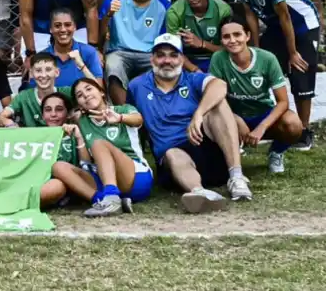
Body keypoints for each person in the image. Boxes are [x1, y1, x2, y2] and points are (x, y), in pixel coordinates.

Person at [126, 33, 252, 212]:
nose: (167, 61)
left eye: (173, 55)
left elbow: (219, 85)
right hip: (173, 160)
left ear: (182, 59)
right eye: (160, 55)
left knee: (218, 105)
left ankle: (236, 177)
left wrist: (198, 114)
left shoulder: (192, 79)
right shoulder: (136, 86)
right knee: (172, 153)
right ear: (151, 58)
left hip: (204, 144)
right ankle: (200, 194)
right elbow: (132, 120)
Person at [225, 0, 320, 150]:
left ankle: (303, 130)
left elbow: (286, 17)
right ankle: (264, 123)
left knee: (300, 71)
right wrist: (256, 48)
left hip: (303, 25)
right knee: (258, 64)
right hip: (276, 27)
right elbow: (250, 13)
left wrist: (292, 52)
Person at [210, 18, 304, 174]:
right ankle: (231, 158)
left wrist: (262, 127)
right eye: (226, 36)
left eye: (237, 34)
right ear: (221, 40)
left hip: (262, 114)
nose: (232, 40)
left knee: (293, 124)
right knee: (210, 120)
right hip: (233, 115)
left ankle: (276, 153)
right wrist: (235, 119)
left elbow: (283, 102)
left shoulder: (267, 59)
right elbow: (215, 97)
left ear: (247, 36)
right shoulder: (218, 59)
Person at [60, 78, 153, 217]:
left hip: (135, 176)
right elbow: (86, 163)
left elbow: (138, 120)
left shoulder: (123, 109)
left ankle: (111, 197)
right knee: (59, 167)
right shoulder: (82, 122)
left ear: (102, 92)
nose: (85, 95)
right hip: (103, 177)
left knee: (99, 144)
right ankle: (102, 200)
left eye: (89, 89)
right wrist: (79, 137)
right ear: (79, 105)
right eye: (80, 95)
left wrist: (120, 118)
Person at [100, 0, 173, 104]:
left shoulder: (164, 2)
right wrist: (109, 15)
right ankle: (124, 112)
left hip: (150, 53)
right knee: (113, 66)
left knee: (164, 68)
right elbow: (102, 35)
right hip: (119, 51)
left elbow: (164, 38)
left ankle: (153, 113)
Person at [166, 0, 233, 72]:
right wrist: (195, 70)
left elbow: (229, 50)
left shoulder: (223, 10)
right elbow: (173, 50)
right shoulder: (174, 12)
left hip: (217, 57)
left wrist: (202, 43)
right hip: (185, 60)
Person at [0, 53, 71, 127]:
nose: (43, 75)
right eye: (38, 70)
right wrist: (8, 123)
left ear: (57, 72)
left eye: (48, 69)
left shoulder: (67, 92)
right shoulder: (24, 96)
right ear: (31, 73)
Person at [38, 8, 103, 89]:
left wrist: (82, 66)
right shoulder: (41, 57)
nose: (63, 29)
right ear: (51, 29)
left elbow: (99, 90)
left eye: (68, 25)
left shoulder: (89, 52)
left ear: (75, 27)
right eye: (57, 26)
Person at [40, 91, 85, 209]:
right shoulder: (35, 137)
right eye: (48, 110)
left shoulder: (76, 134)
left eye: (59, 109)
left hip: (63, 184)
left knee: (56, 186)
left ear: (68, 114)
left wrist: (79, 138)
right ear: (42, 115)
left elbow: (87, 166)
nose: (53, 114)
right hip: (36, 181)